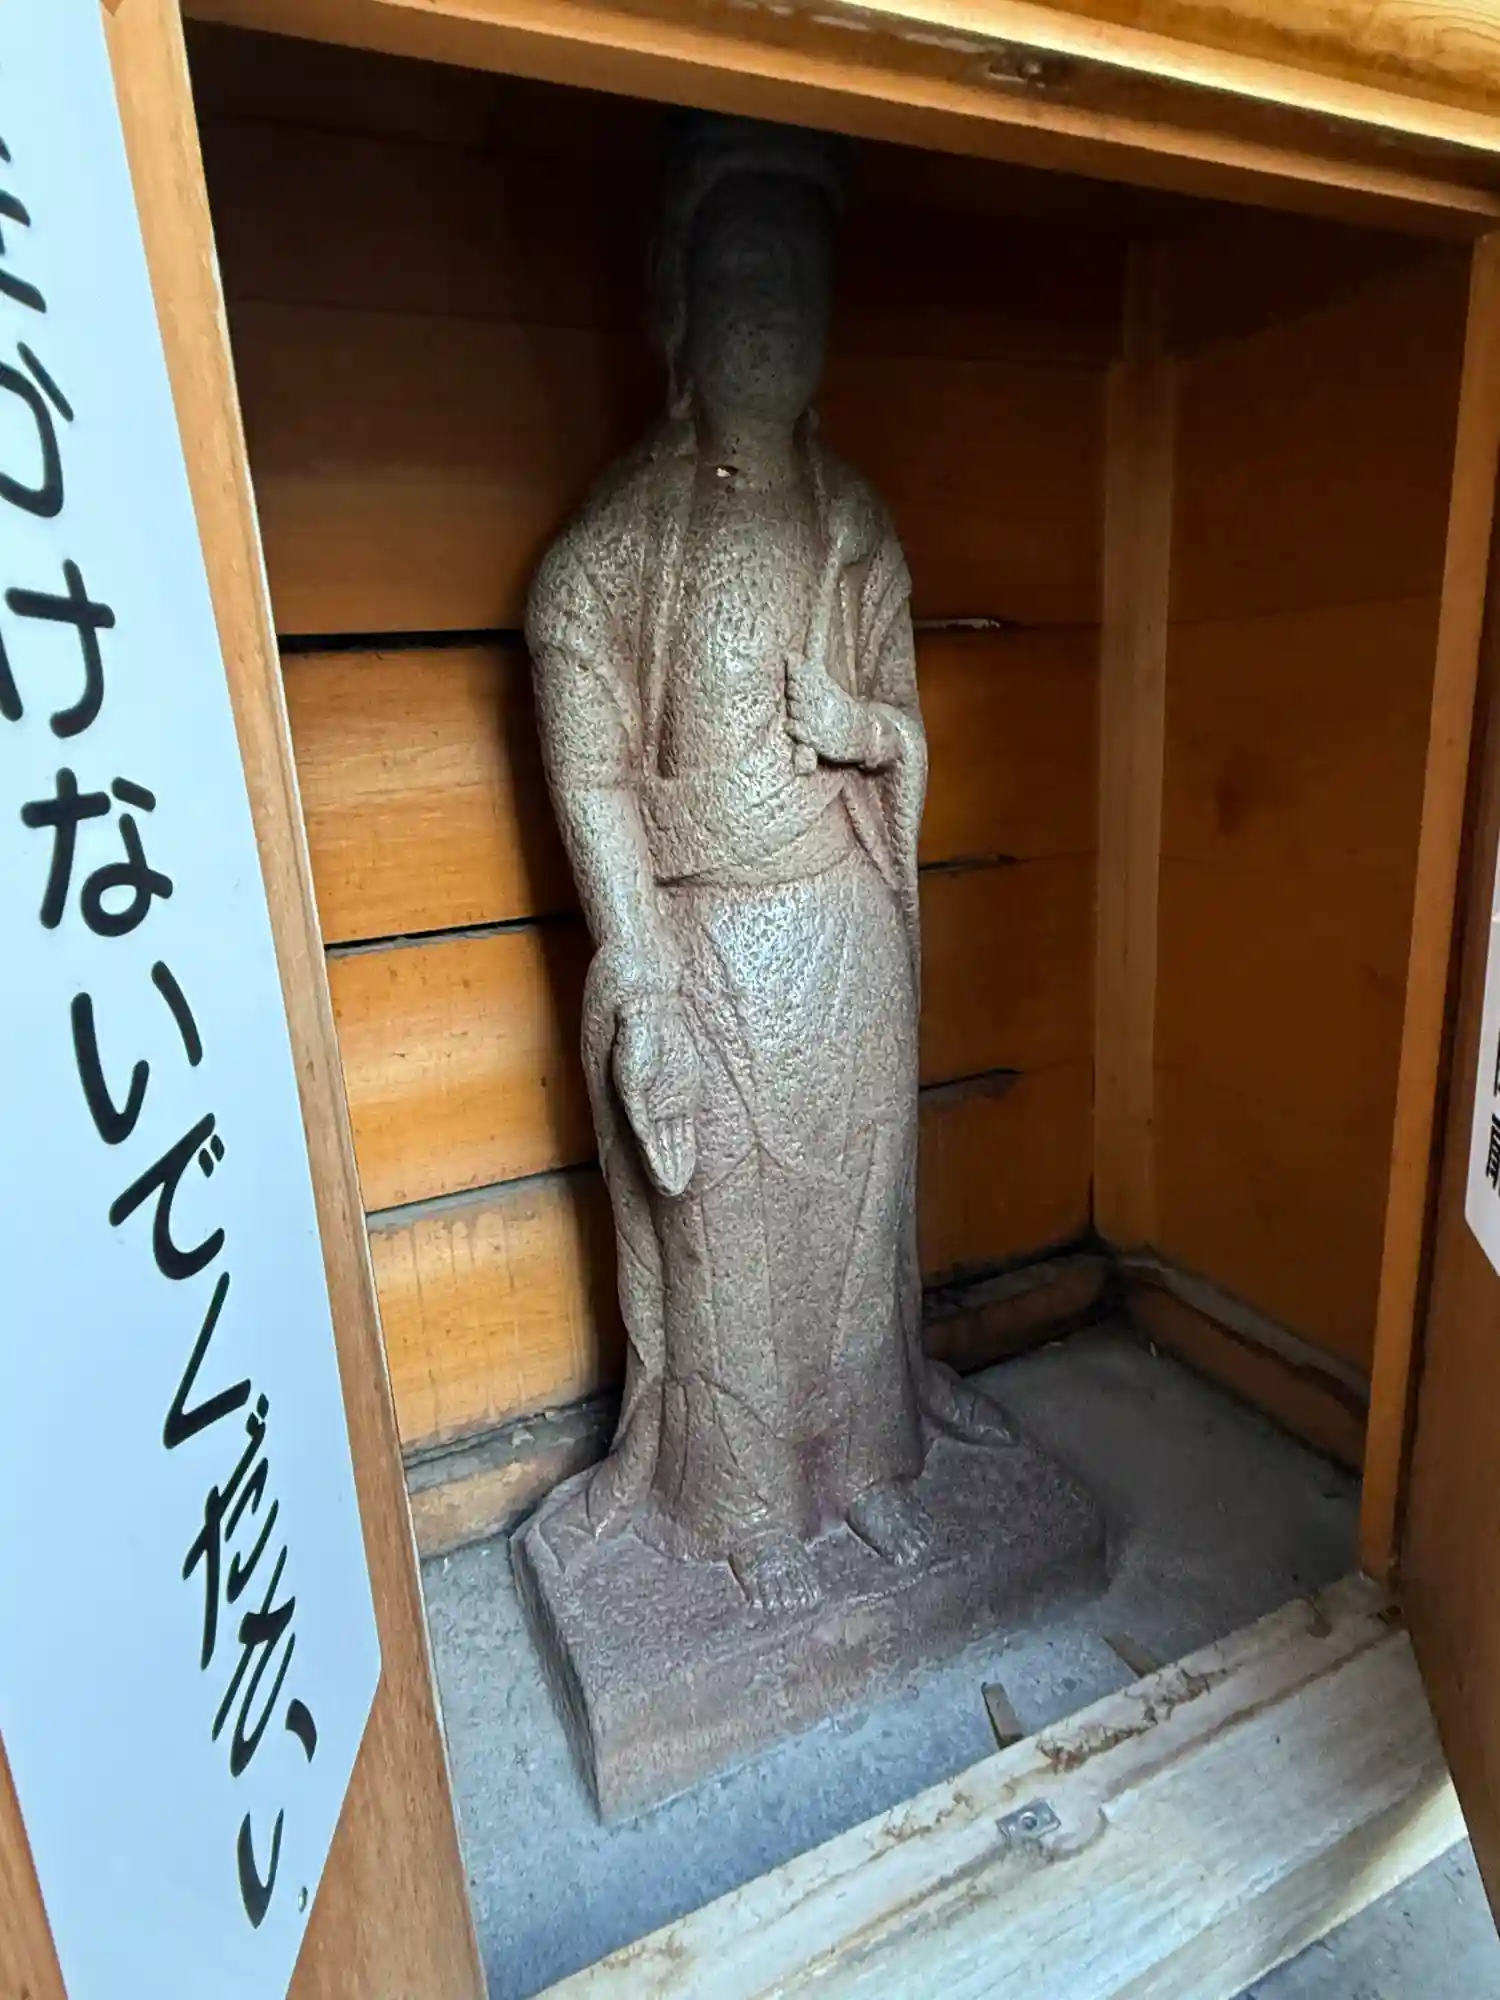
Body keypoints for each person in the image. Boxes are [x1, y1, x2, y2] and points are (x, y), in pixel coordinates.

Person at [526, 113, 1006, 1617]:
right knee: (724, 1236)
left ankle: (866, 1467)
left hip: (846, 933)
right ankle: (739, 1508)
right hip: (712, 948)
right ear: (677, 305)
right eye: (743, 275)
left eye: (801, 281)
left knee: (853, 1226)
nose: (773, 313)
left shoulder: (859, 527)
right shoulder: (614, 549)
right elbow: (592, 768)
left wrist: (862, 727)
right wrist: (642, 968)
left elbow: (902, 731)